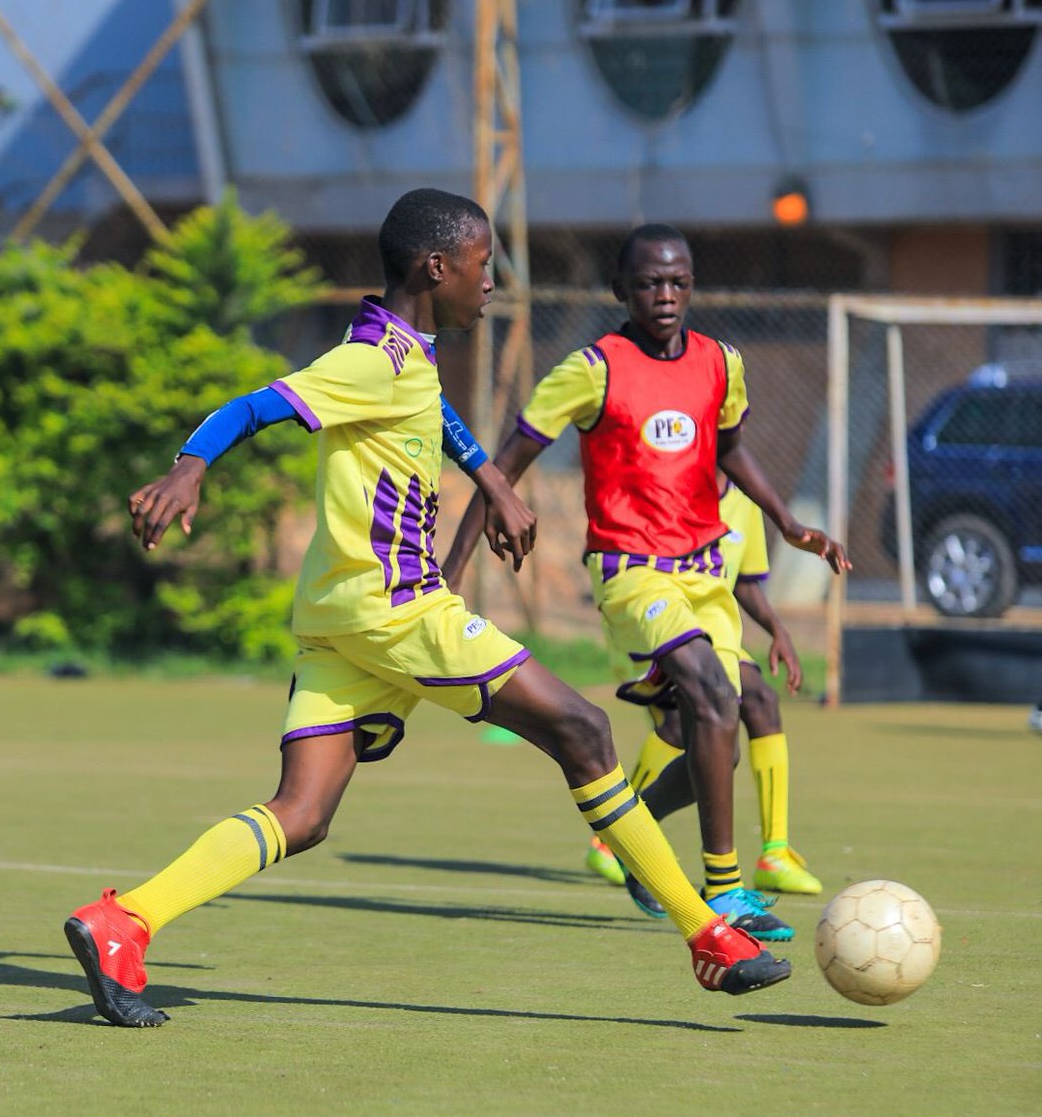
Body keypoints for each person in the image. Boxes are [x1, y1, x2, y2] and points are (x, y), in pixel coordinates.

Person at [63, 191, 789, 1028]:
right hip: (399, 609)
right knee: (583, 731)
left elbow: (432, 412)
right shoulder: (371, 360)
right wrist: (189, 466)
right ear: (434, 267)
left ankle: (124, 922)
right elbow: (257, 404)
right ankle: (708, 935)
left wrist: (487, 477)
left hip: (338, 620)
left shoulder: (404, 352)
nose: (492, 283)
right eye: (483, 266)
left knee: (301, 813)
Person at [444, 223, 849, 945]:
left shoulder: (722, 363)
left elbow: (731, 449)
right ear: (621, 291)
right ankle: (724, 891)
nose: (664, 296)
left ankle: (637, 843)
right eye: (648, 283)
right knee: (712, 692)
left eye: (677, 282)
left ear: (692, 286)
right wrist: (450, 572)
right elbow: (500, 468)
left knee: (717, 735)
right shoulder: (593, 368)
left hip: (705, 578)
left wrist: (786, 523)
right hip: (631, 574)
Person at [608, 469, 823, 921]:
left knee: (738, 731)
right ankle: (709, 880)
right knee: (680, 725)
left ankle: (770, 852)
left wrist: (777, 630)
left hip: (714, 625)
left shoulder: (745, 492)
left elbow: (743, 579)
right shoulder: (668, 474)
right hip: (658, 616)